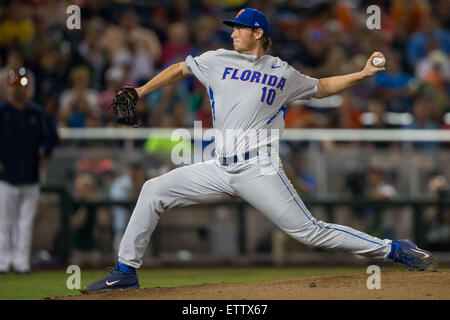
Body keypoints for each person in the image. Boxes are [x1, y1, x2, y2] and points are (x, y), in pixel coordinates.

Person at [84, 8, 438, 292]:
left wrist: (360, 76)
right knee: (153, 190)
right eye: (233, 27)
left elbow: (322, 86)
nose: (233, 32)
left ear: (258, 34)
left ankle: (393, 248)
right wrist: (140, 91)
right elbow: (180, 68)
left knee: (309, 231)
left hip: (260, 169)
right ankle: (126, 270)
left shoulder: (281, 72)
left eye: (240, 27)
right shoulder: (217, 59)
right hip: (219, 167)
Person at [0, 67, 59, 274]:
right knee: (5, 222)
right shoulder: (2, 112)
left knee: (25, 223)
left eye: (22, 85)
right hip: (6, 177)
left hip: (31, 176)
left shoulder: (37, 113)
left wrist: (45, 157)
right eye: (14, 85)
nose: (18, 89)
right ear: (8, 86)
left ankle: (21, 261)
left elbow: (52, 138)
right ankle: (4, 261)